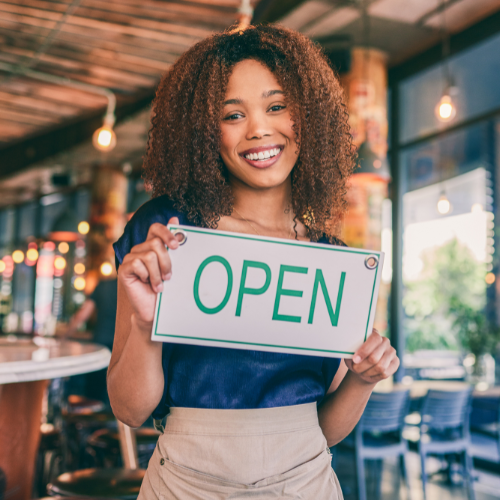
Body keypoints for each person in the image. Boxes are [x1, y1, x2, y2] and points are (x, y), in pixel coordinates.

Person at [109, 25, 399, 499]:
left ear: (308, 116)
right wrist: (147, 326)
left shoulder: (333, 262)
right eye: (232, 114)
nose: (259, 129)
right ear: (206, 131)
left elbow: (323, 431)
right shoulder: (166, 232)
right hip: (185, 484)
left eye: (277, 106)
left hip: (306, 482)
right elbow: (130, 410)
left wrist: (363, 382)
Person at [65, 276, 118, 405]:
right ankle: (112, 422)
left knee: (94, 394)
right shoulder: (137, 286)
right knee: (115, 395)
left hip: (100, 347)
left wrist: (65, 335)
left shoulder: (104, 285)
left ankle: (95, 422)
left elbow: (83, 315)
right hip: (122, 349)